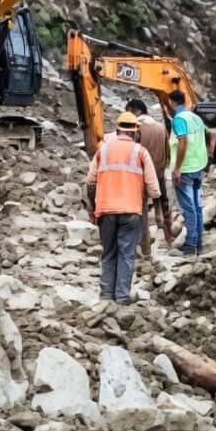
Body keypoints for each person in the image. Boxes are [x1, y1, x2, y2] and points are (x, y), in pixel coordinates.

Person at [86, 111, 160, 304]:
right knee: (126, 254)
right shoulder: (141, 152)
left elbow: (90, 182)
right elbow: (154, 189)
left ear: (117, 129)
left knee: (108, 253)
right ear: (136, 132)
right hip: (131, 212)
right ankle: (121, 296)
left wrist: (93, 208)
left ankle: (106, 295)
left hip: (106, 210)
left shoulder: (103, 150)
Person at [125, 97, 173, 258]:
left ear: (134, 110)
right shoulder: (160, 127)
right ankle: (169, 236)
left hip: (141, 174)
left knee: (142, 210)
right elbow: (168, 152)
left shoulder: (136, 128)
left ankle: (143, 249)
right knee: (163, 204)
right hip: (159, 171)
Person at [169, 89, 212, 255]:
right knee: (197, 207)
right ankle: (199, 243)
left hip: (185, 168)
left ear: (172, 102)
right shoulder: (196, 118)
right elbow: (210, 136)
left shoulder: (179, 119)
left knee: (189, 208)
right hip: (198, 166)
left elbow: (182, 141)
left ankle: (190, 244)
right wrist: (207, 157)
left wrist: (177, 168)